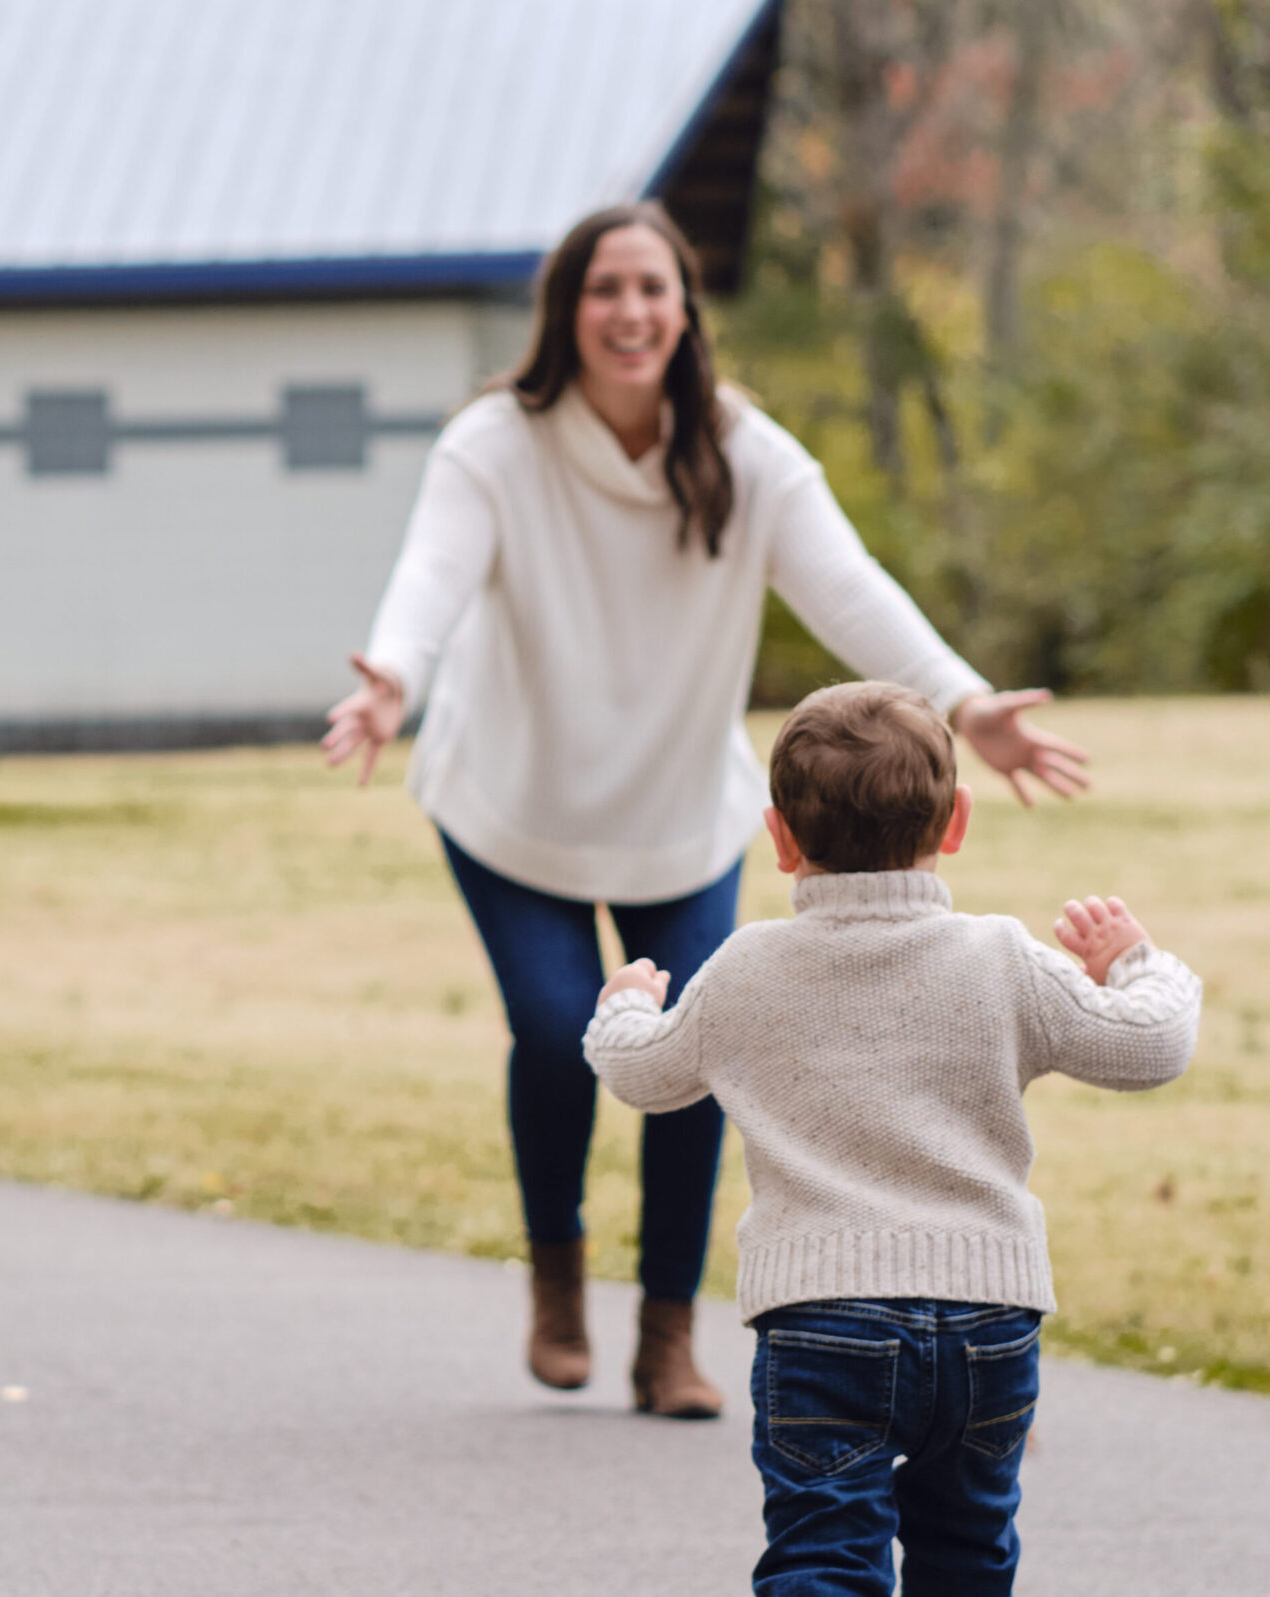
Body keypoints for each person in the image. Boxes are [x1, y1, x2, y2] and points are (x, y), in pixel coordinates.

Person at [322, 202, 1090, 1418]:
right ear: (567, 312)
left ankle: (667, 1335)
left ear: (684, 312)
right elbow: (433, 572)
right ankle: (559, 1276)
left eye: (652, 290)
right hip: (510, 798)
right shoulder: (496, 444)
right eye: (603, 290)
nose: (629, 312)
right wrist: (394, 677)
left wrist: (964, 702)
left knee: (701, 1046)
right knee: (548, 1027)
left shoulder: (743, 451)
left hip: (678, 808)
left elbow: (849, 587)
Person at [582, 682, 1200, 1597]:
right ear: (955, 822)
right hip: (988, 1318)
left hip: (820, 1321)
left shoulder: (750, 967)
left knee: (823, 1542)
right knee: (970, 1532)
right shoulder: (999, 959)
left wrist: (622, 1005)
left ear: (780, 838)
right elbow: (1150, 1046)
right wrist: (1136, 961)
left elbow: (646, 1077)